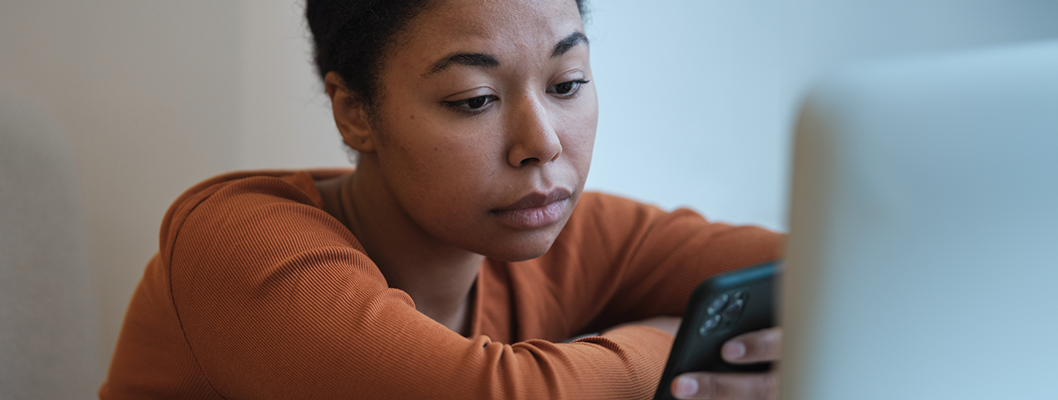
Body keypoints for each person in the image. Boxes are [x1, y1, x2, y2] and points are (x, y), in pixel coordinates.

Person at [100, 0, 782, 399]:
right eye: (474, 100)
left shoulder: (556, 224)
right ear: (354, 111)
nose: (540, 143)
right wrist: (680, 342)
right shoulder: (238, 245)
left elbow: (845, 262)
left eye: (567, 83)